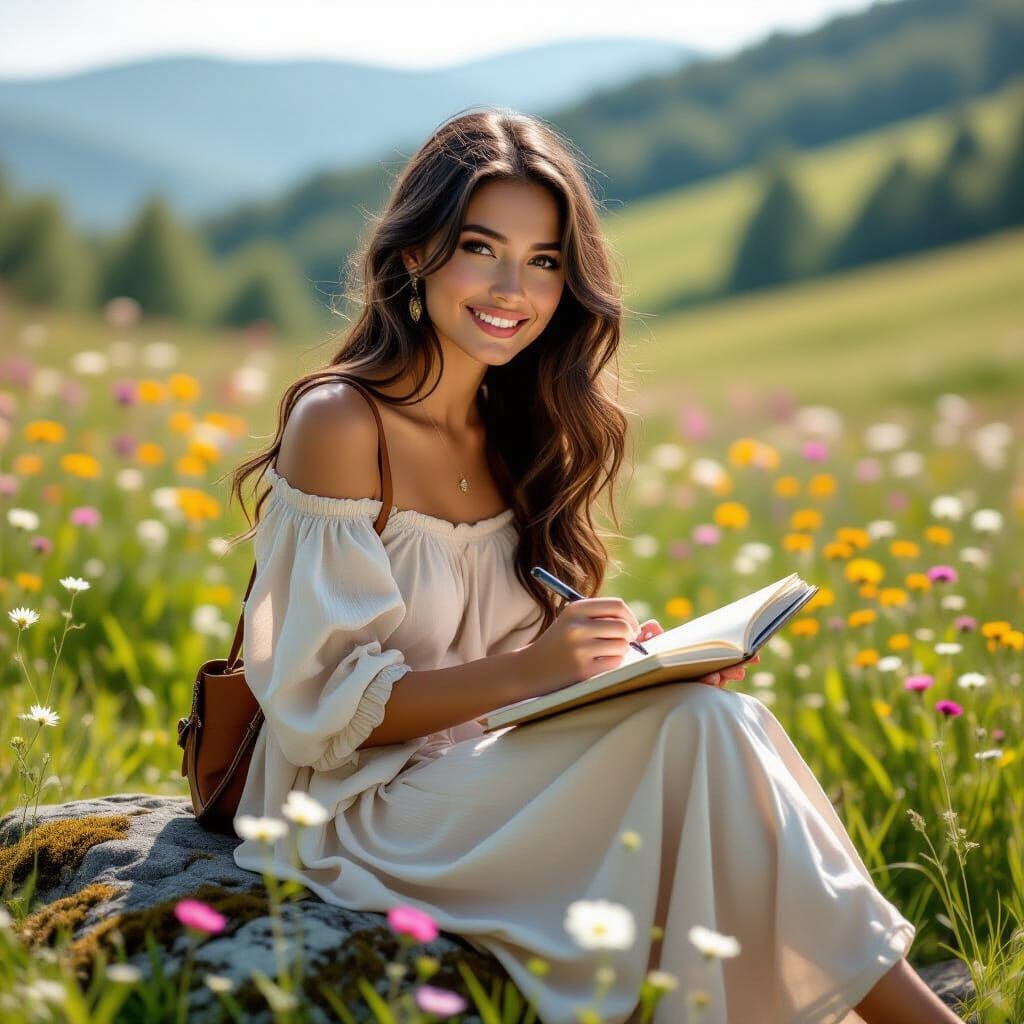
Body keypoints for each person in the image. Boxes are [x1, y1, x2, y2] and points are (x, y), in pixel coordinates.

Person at [225, 108, 962, 1024]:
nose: (513, 289)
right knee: (707, 733)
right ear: (415, 255)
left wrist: (624, 672)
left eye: (543, 261)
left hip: (482, 776)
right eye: (481, 248)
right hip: (356, 812)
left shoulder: (518, 429)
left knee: (706, 713)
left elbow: (511, 682)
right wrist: (537, 669)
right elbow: (314, 712)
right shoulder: (342, 424)